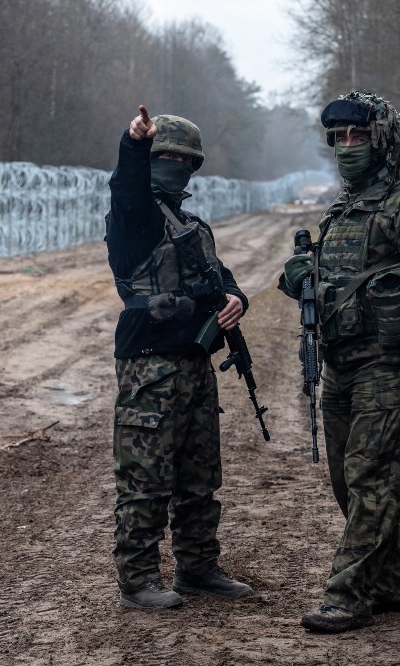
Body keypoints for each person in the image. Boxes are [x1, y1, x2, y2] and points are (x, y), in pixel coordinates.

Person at [279, 90, 400, 633]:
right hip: (342, 364)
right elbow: (331, 274)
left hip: (388, 364)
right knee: (346, 480)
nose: (347, 147)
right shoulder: (343, 207)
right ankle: (393, 582)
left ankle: (348, 592)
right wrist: (299, 274)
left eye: (357, 137)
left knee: (369, 476)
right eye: (338, 139)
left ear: (383, 142)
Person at [104, 105, 254, 610]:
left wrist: (236, 299)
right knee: (145, 479)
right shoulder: (135, 220)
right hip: (150, 367)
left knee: (199, 478)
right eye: (164, 156)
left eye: (183, 159)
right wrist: (134, 145)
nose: (174, 165)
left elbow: (219, 277)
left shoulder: (192, 226)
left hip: (194, 366)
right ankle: (138, 579)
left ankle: (198, 566)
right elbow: (126, 187)